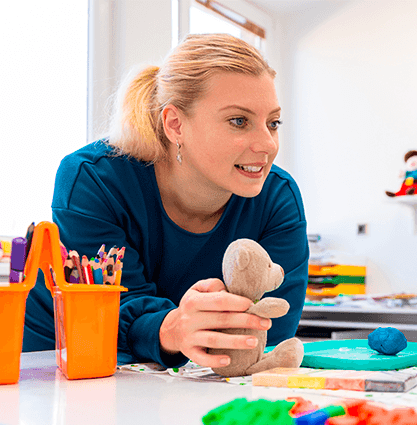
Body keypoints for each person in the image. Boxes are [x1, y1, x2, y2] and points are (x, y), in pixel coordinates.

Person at [22, 34, 309, 369]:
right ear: (175, 124)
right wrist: (171, 327)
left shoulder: (278, 199)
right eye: (238, 121)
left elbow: (265, 336)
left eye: (273, 123)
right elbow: (107, 312)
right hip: (57, 363)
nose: (267, 145)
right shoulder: (94, 179)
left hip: (179, 376)